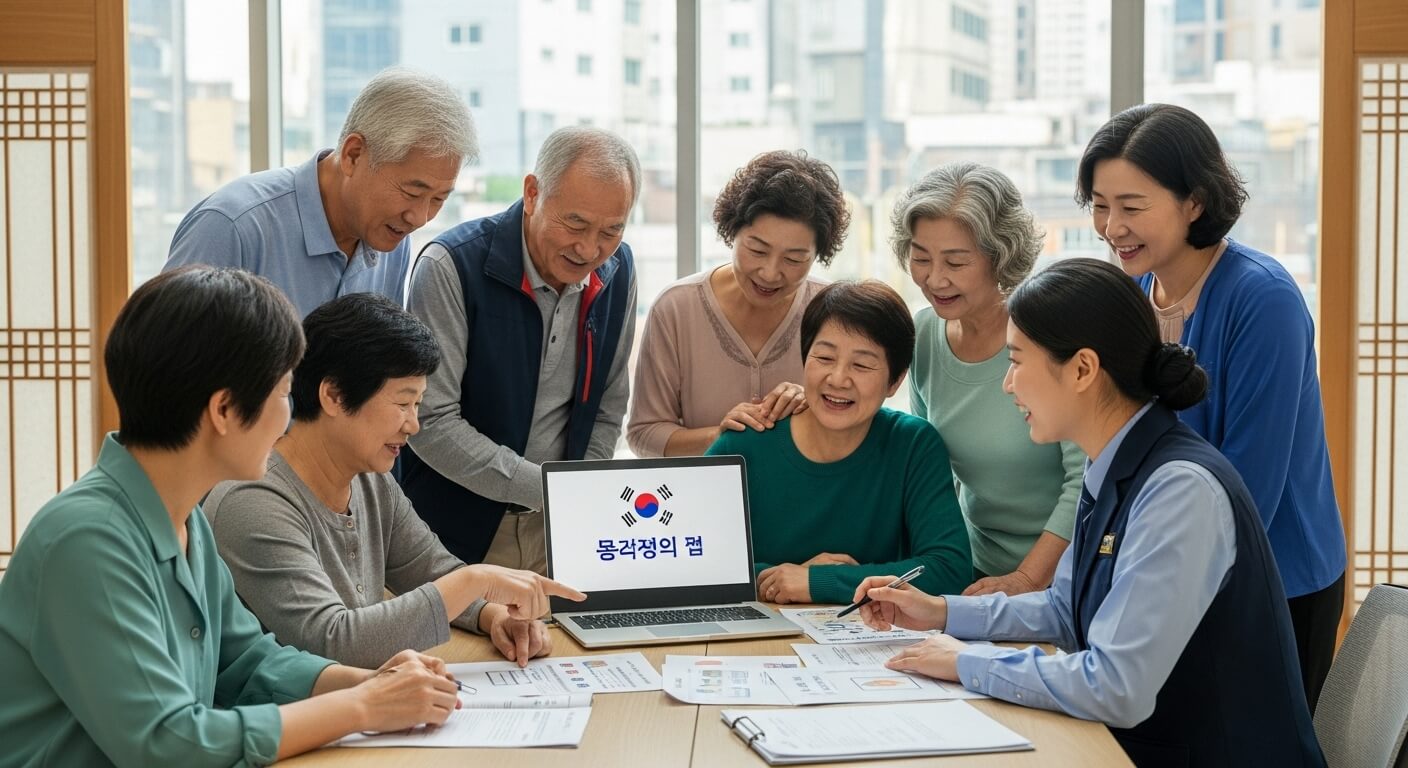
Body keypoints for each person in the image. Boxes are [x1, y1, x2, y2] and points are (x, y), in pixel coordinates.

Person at [0, 267, 487, 766]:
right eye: (283, 392)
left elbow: (248, 662)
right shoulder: (88, 540)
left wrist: (370, 684)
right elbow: (165, 742)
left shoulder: (184, 520)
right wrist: (362, 707)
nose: (289, 416)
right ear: (225, 410)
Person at [853, 258, 1325, 767]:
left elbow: (1116, 687)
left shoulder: (1179, 491)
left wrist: (968, 661)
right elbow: (1064, 608)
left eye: (1016, 361)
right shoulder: (1112, 462)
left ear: (1082, 369)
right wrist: (941, 612)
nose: (1008, 384)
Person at [1077, 103, 1345, 710]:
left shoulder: (1263, 298)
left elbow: (1252, 487)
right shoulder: (1135, 291)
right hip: (1176, 571)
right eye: (1099, 205)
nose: (1112, 227)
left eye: (1132, 207)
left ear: (1194, 202)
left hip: (1275, 578)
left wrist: (1152, 578)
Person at [205, 294, 584, 670]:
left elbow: (430, 569)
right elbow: (331, 641)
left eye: (418, 405)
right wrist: (475, 580)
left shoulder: (371, 481)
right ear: (333, 395)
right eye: (403, 404)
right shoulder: (253, 500)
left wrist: (493, 615)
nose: (414, 425)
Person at [401, 126, 639, 573]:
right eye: (575, 224)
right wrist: (552, 489)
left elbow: (608, 406)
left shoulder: (618, 268)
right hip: (451, 532)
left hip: (564, 529)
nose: (590, 248)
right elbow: (430, 421)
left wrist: (579, 492)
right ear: (532, 193)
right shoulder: (451, 266)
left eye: (612, 230)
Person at [705, 280, 971, 605]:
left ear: (895, 381)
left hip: (872, 632)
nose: (838, 379)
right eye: (825, 357)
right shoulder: (744, 443)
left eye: (861, 365)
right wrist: (773, 580)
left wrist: (818, 581)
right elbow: (688, 563)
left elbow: (950, 569)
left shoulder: (913, 444)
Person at [893, 162, 1084, 597]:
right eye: (920, 258)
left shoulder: (1050, 337)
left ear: (1002, 257)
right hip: (974, 571)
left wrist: (1026, 579)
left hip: (1062, 578)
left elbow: (1084, 482)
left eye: (955, 262)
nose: (934, 278)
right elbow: (932, 469)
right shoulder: (923, 334)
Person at [165, 67, 475, 317]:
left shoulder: (392, 239)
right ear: (353, 154)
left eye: (439, 199)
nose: (419, 217)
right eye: (411, 192)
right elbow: (163, 363)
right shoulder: (233, 226)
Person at [627, 150, 849, 457]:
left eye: (794, 259)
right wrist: (721, 437)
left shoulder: (833, 313)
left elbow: (861, 427)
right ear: (732, 232)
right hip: (706, 488)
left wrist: (815, 407)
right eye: (757, 251)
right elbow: (644, 435)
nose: (770, 273)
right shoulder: (676, 309)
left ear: (817, 256)